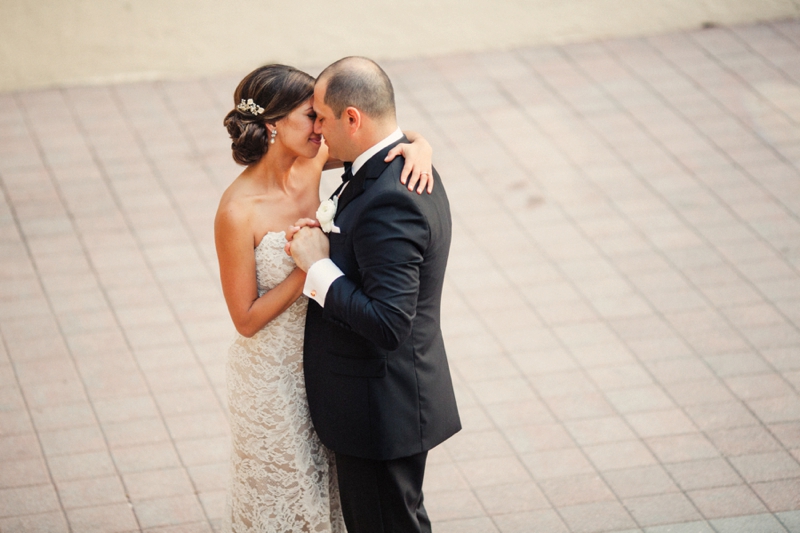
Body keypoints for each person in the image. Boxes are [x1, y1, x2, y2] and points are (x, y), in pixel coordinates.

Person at [214, 63, 435, 533]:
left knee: (334, 501)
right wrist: (308, 266)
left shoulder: (314, 159)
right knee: (290, 502)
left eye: (321, 117)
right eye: (309, 116)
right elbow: (245, 319)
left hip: (327, 364)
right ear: (274, 126)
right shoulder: (237, 211)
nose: (321, 127)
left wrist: (421, 147)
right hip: (271, 374)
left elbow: (381, 134)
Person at [287, 57, 461, 533]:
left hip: (381, 407)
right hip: (385, 400)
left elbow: (388, 323)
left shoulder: (391, 196)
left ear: (352, 119)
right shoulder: (400, 158)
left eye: (320, 116)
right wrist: (422, 142)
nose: (316, 129)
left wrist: (316, 266)